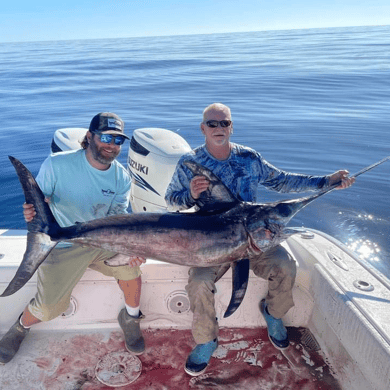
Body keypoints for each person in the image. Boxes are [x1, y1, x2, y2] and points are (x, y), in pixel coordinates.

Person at [165, 102, 355, 376]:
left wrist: (328, 181)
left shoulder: (249, 158)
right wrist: (190, 196)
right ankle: (207, 340)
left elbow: (282, 181)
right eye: (213, 123)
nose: (219, 128)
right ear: (202, 128)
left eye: (224, 123)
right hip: (211, 242)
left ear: (232, 126)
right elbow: (171, 202)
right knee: (198, 283)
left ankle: (273, 313)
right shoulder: (190, 163)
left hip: (255, 237)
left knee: (285, 266)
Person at [0, 112, 146, 364]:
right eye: (105, 137)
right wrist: (31, 210)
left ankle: (131, 318)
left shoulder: (122, 177)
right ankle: (20, 327)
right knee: (48, 309)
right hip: (63, 244)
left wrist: (129, 247)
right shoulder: (56, 164)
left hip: (100, 242)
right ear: (89, 136)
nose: (111, 145)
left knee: (132, 272)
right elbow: (39, 202)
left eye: (118, 140)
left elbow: (117, 218)